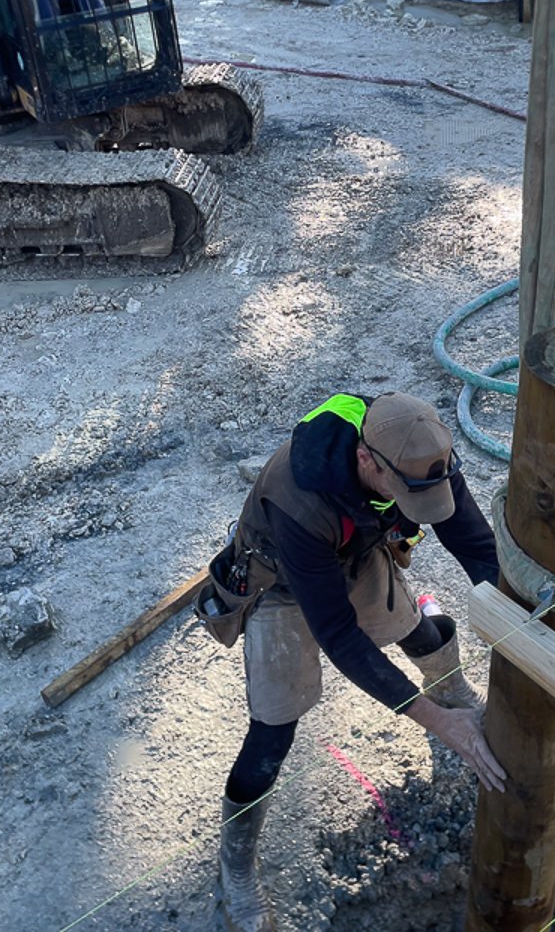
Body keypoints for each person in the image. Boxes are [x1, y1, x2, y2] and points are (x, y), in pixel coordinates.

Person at [210, 391, 507, 931]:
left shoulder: (421, 451)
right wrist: (438, 725)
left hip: (354, 551)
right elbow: (340, 637)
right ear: (367, 460)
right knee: (272, 732)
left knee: (420, 633)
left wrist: (525, 625)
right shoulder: (297, 497)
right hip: (282, 581)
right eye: (408, 494)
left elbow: (476, 547)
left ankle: (452, 691)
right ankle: (237, 867)